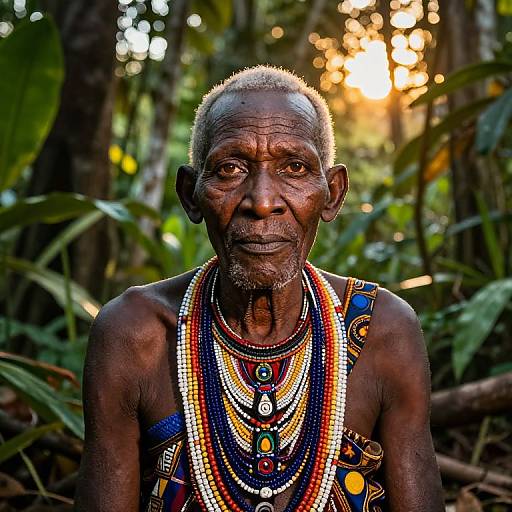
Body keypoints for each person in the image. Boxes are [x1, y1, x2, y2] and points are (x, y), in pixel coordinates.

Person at [74, 66, 444, 512]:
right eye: (230, 168)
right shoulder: (133, 335)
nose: (263, 200)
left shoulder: (385, 332)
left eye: (295, 167)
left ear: (332, 194)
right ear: (191, 194)